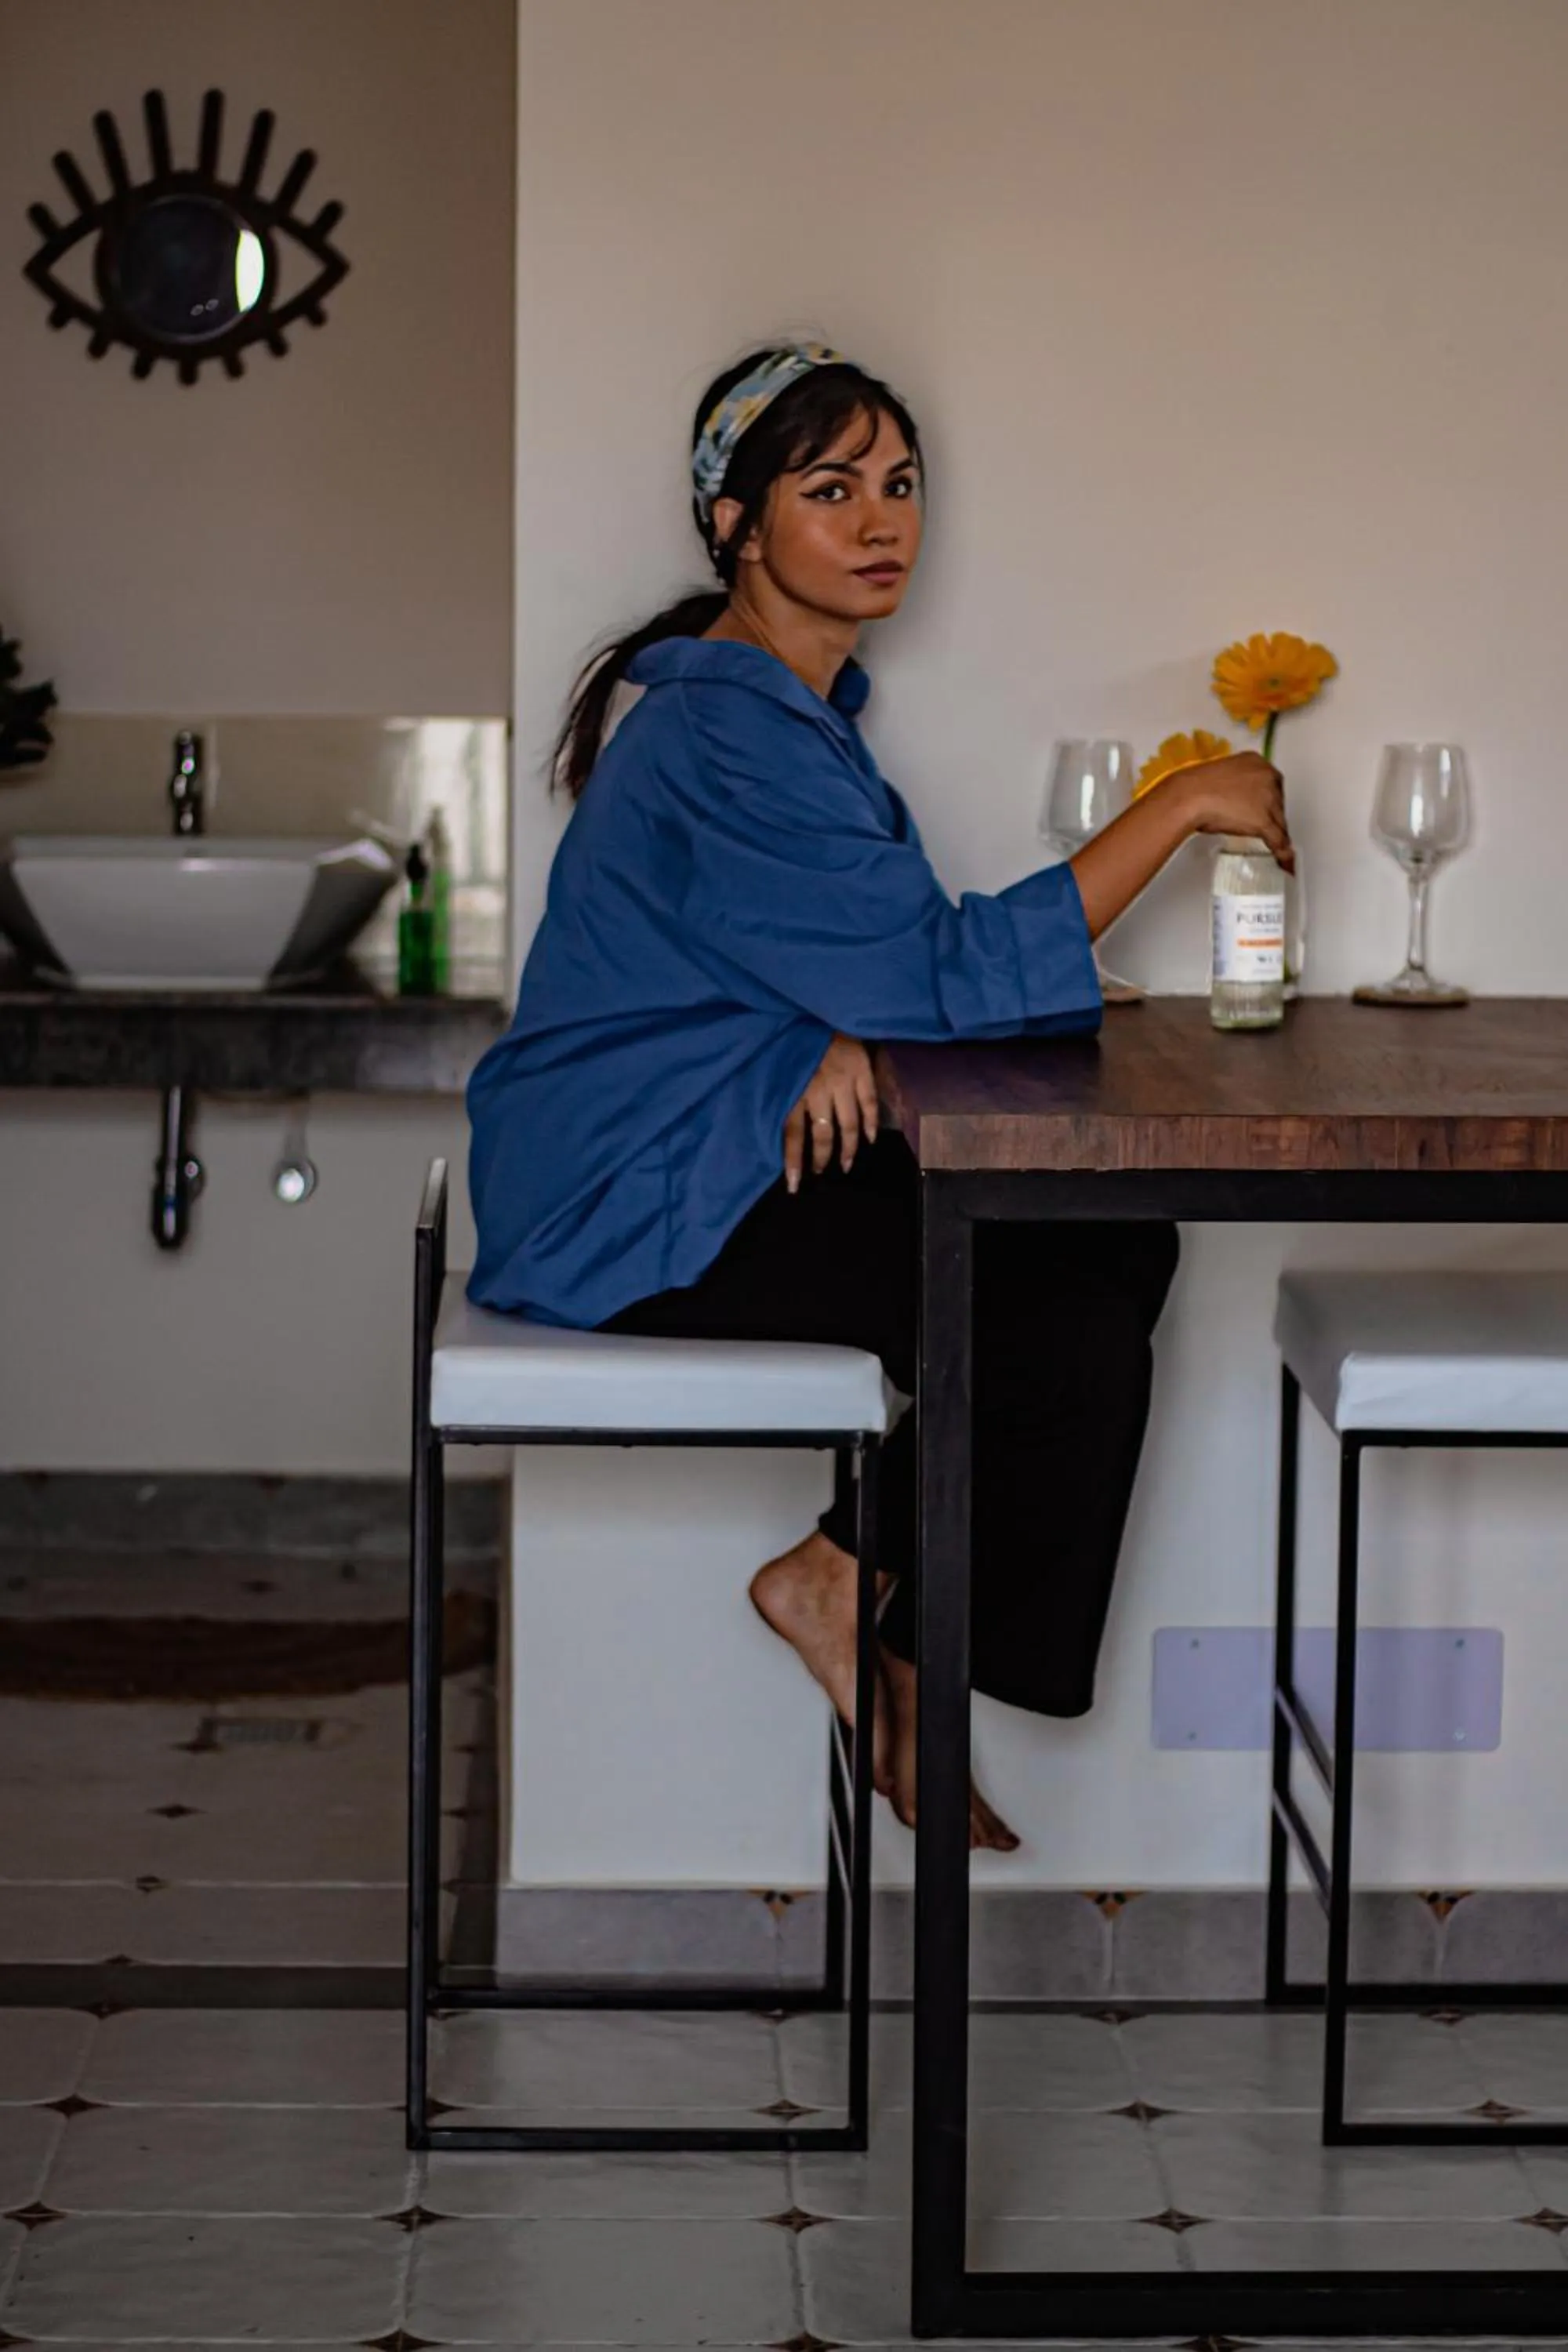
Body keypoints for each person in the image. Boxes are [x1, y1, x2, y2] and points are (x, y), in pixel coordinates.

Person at [467, 343, 1290, 1849]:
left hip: (707, 1147)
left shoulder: (793, 719)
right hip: (632, 1200)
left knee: (1114, 1239)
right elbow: (935, 970)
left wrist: (838, 1025)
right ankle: (872, 1614)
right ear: (735, 525)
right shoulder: (730, 730)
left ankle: (868, 1596)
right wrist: (1174, 808)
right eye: (829, 488)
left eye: (899, 485)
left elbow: (847, 962)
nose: (879, 519)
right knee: (1056, 1289)